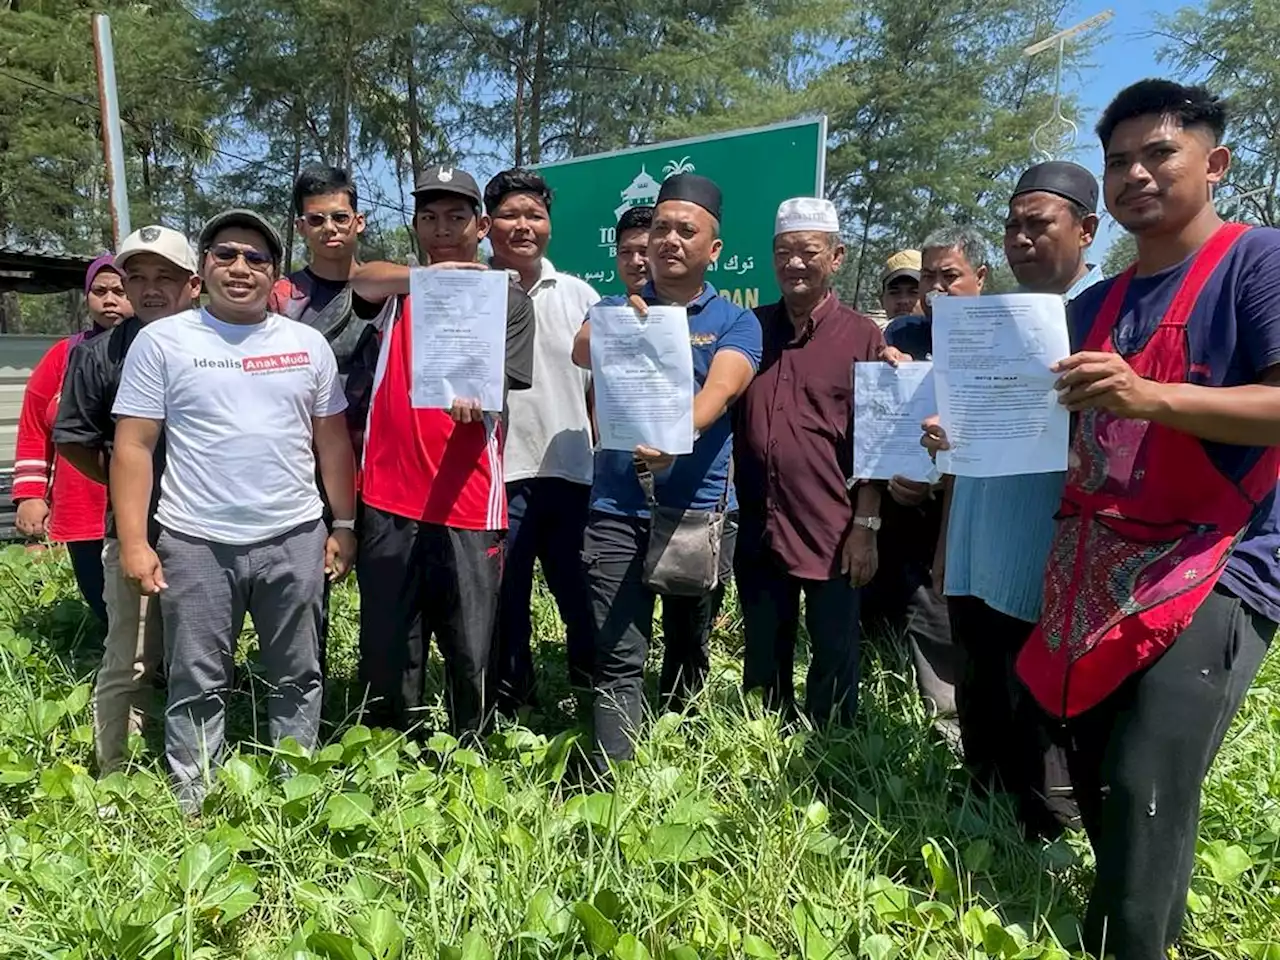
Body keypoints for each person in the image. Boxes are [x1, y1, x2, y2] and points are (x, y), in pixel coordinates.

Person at [930, 80, 1280, 959]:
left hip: (1220, 559)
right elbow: (1052, 434)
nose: (1135, 174)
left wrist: (1149, 394)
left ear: (1216, 163)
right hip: (1096, 567)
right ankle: (1122, 925)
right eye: (1119, 159)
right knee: (1095, 778)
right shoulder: (1092, 309)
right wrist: (962, 431)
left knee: (1144, 779)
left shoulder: (1256, 262)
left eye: (1159, 153)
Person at [111, 209, 357, 812]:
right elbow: (134, 445)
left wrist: (344, 524)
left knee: (299, 672)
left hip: (294, 535)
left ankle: (295, 792)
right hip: (195, 541)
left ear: (275, 275)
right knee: (197, 679)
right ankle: (192, 803)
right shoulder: (162, 341)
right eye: (225, 254)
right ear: (202, 269)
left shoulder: (306, 345)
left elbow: (332, 442)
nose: (240, 267)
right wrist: (137, 541)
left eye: (255, 258)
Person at [571, 173, 762, 767]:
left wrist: (679, 433)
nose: (670, 240)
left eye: (687, 230)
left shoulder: (736, 321)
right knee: (618, 651)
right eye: (660, 228)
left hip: (696, 512)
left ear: (714, 249)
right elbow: (580, 348)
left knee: (687, 644)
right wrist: (626, 328)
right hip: (616, 510)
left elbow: (725, 387)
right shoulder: (614, 308)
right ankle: (616, 777)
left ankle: (679, 763)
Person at [935, 161, 1103, 837]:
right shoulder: (991, 320)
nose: (1020, 239)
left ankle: (1044, 829)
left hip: (1049, 537)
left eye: (1039, 224)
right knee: (979, 672)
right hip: (979, 529)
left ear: (1087, 230)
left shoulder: (1106, 313)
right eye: (1012, 226)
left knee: (1038, 688)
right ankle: (982, 799)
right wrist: (942, 432)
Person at [350, 164, 534, 736]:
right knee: (390, 640)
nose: (442, 229)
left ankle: (467, 754)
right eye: (429, 217)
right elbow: (361, 279)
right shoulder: (398, 289)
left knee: (468, 642)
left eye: (456, 217)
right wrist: (428, 278)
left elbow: (503, 384)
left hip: (467, 495)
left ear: (480, 226)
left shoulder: (508, 298)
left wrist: (479, 400)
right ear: (415, 224)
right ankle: (390, 748)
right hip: (388, 493)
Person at [54, 225, 200, 772]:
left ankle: (199, 758)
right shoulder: (98, 356)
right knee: (131, 657)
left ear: (194, 283)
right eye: (136, 277)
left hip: (214, 535)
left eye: (165, 276)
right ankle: (116, 770)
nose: (149, 289)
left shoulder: (221, 345)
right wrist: (129, 488)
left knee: (203, 657)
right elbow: (73, 441)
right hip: (139, 535)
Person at [734, 198, 881, 726]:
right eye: (783, 252)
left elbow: (875, 441)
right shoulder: (751, 329)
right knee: (763, 644)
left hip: (834, 527)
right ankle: (764, 736)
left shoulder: (863, 335)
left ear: (836, 256)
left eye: (808, 252)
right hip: (758, 523)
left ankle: (833, 749)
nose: (794, 263)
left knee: (834, 651)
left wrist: (866, 525)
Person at [269, 166, 397, 673]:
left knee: (385, 592)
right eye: (316, 219)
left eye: (340, 217)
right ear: (300, 227)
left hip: (379, 461)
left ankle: (377, 698)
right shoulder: (279, 297)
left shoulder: (389, 288)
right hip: (301, 464)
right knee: (305, 590)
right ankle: (305, 694)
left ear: (360, 221)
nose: (330, 229)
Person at [484, 168, 597, 715]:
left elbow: (599, 387)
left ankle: (591, 693)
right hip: (496, 479)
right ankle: (513, 703)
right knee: (507, 601)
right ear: (487, 225)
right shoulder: (472, 293)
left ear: (549, 224)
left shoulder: (580, 295)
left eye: (534, 215)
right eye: (510, 215)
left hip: (572, 471)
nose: (523, 225)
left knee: (578, 593)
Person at [864, 230, 985, 735]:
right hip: (899, 497)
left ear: (981, 278)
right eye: (928, 277)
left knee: (944, 605)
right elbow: (875, 416)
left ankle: (953, 718)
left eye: (949, 277)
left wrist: (938, 484)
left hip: (966, 505)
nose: (936, 288)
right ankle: (881, 698)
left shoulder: (995, 334)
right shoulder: (900, 336)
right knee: (899, 596)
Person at [12, 255, 126, 622]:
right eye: (100, 291)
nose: (110, 300)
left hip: (143, 504)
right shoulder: (64, 355)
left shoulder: (157, 349)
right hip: (83, 502)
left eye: (121, 291)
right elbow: (34, 424)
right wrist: (30, 495)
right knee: (99, 595)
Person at [615, 205, 653, 296]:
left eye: (644, 252)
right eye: (626, 252)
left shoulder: (688, 309)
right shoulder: (604, 309)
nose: (635, 261)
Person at [880, 249, 923, 322]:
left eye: (914, 292)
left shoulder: (943, 332)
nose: (903, 300)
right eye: (894, 292)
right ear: (882, 301)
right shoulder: (871, 333)